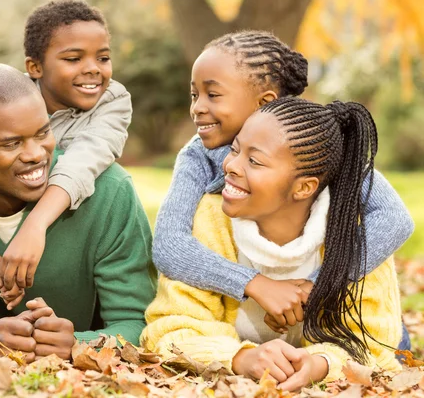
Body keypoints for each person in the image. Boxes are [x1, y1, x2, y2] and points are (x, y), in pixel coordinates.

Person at [152, 31, 413, 337]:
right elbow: (169, 244)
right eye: (194, 94)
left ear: (264, 102)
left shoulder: (314, 148)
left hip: (352, 330)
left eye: (213, 94)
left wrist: (316, 287)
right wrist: (253, 284)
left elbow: (394, 219)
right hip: (256, 325)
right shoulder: (199, 156)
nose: (197, 107)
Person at [142, 96, 403, 391]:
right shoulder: (211, 221)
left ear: (304, 187)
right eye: (235, 150)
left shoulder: (354, 236)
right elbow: (169, 328)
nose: (231, 166)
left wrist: (319, 363)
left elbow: (375, 342)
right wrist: (241, 357)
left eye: (254, 161)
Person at [0, 63, 156, 361]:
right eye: (12, 143)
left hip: (84, 335)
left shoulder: (111, 191)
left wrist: (79, 344)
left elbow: (138, 325)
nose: (36, 154)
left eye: (43, 132)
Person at [0, 0, 131, 307]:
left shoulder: (113, 101)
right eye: (73, 58)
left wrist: (35, 226)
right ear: (34, 67)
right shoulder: (9, 96)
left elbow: (85, 160)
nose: (93, 69)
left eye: (103, 57)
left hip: (70, 236)